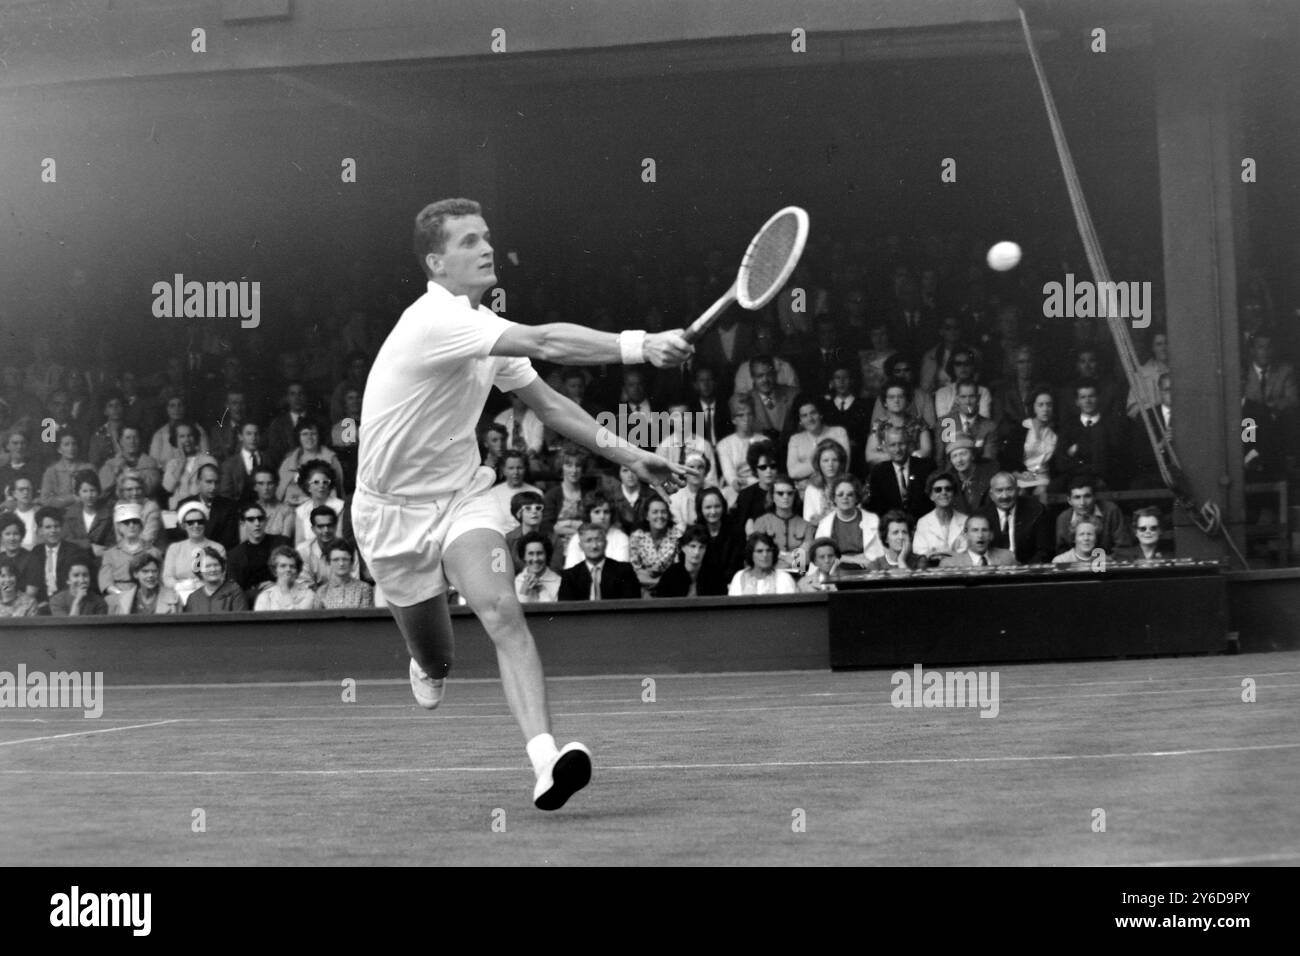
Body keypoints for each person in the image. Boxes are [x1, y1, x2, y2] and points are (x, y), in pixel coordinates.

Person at [349, 199, 691, 810]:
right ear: (437, 263)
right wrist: (640, 345)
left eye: (487, 237)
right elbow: (546, 338)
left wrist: (631, 455)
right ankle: (426, 664)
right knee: (438, 660)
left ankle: (545, 760)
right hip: (389, 515)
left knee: (503, 610)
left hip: (461, 500)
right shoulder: (436, 319)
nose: (486, 248)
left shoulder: (485, 330)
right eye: (469, 242)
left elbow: (552, 406)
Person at [807, 475, 884, 568]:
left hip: (868, 571)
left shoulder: (873, 520)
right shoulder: (825, 524)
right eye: (840, 494)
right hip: (835, 571)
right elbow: (820, 556)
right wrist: (852, 559)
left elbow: (881, 553)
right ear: (834, 498)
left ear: (857, 497)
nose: (845, 497)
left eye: (850, 494)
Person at [979, 471, 1054, 565]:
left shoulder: (1037, 511)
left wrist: (1025, 573)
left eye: (1009, 489)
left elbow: (1045, 551)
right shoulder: (981, 516)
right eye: (999, 490)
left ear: (1018, 490)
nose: (1004, 496)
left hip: (1029, 572)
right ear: (991, 495)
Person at [557, 523, 642, 601]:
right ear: (580, 546)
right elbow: (566, 609)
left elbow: (632, 605)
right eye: (588, 541)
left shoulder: (624, 571)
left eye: (598, 540)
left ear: (606, 543)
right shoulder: (570, 576)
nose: (594, 546)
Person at [226, 503, 292, 602]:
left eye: (260, 519)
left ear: (266, 521)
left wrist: (278, 586)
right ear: (243, 523)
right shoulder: (234, 555)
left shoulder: (282, 543)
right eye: (251, 520)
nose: (257, 523)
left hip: (283, 598)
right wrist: (257, 593)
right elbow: (234, 591)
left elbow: (296, 574)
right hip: (250, 604)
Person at [867, 426, 935, 520]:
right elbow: (877, 509)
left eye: (901, 444)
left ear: (909, 445)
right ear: (885, 447)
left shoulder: (926, 468)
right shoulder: (878, 473)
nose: (897, 449)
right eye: (892, 445)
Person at [163, 500, 225, 603]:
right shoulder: (174, 548)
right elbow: (167, 577)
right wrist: (179, 586)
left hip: (210, 596)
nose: (196, 525)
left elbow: (221, 577)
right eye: (190, 522)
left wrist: (200, 586)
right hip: (179, 597)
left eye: (200, 521)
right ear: (183, 525)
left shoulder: (218, 548)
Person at [31, 505, 94, 606]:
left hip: (67, 602)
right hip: (42, 603)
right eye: (48, 527)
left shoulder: (74, 551)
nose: (53, 531)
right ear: (40, 530)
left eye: (56, 526)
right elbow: (34, 583)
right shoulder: (36, 552)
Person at [1052, 476, 1132, 555]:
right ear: (1069, 500)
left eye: (1087, 496)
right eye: (1077, 497)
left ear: (1094, 497)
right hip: (1077, 565)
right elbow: (1062, 550)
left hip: (1108, 564)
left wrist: (1107, 561)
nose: (1082, 503)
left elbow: (1123, 546)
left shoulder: (1111, 511)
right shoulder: (1064, 518)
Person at [277, 419, 345, 508]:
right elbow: (280, 493)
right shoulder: (288, 462)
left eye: (313, 434)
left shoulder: (331, 459)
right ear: (298, 437)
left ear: (319, 436)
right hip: (292, 510)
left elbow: (339, 490)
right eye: (305, 434)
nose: (309, 437)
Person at [97, 502, 160, 597]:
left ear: (140, 525)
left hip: (149, 596)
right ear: (119, 527)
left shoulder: (153, 552)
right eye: (126, 522)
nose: (131, 525)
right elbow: (106, 583)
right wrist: (123, 596)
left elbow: (160, 580)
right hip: (119, 598)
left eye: (135, 521)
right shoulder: (110, 554)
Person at [786, 396, 849, 490]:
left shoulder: (838, 432)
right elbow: (793, 472)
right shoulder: (795, 439)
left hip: (836, 489)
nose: (810, 419)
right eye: (804, 415)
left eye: (813, 413)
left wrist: (810, 482)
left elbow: (843, 466)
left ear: (820, 414)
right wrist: (826, 462)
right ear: (800, 420)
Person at [865, 379, 933, 465]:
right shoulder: (878, 425)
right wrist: (899, 457)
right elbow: (870, 456)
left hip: (914, 468)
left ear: (908, 400)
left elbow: (926, 451)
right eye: (891, 397)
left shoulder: (919, 423)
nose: (896, 401)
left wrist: (896, 456)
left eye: (900, 396)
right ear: (885, 402)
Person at [751, 474, 809, 570]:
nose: (785, 497)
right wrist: (787, 557)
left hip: (798, 577)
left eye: (790, 493)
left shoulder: (806, 525)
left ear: (795, 495)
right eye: (780, 493)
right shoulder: (762, 522)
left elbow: (803, 561)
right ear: (772, 496)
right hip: (768, 574)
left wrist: (777, 555)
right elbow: (758, 555)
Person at [561, 490, 630, 569]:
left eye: (606, 512)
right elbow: (571, 570)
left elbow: (621, 571)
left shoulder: (621, 538)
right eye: (597, 512)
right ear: (588, 515)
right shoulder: (577, 538)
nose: (602, 517)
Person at [653, 524, 726, 597]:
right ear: (683, 547)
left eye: (701, 547)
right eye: (692, 546)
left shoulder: (715, 575)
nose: (697, 552)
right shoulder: (670, 575)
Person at [628, 496, 681, 595]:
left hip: (670, 590)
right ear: (647, 516)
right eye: (655, 512)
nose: (660, 516)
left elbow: (677, 572)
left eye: (663, 512)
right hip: (642, 589)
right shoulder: (637, 537)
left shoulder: (677, 536)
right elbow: (635, 571)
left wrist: (661, 582)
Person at [161, 423, 219, 510]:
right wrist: (182, 463)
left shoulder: (208, 460)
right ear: (176, 440)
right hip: (177, 509)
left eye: (190, 435)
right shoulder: (172, 464)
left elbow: (211, 489)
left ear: (195, 438)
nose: (187, 440)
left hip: (202, 508)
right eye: (182, 436)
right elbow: (168, 488)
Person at [912, 472, 967, 563]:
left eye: (948, 489)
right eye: (938, 490)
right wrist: (952, 553)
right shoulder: (923, 522)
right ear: (931, 496)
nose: (943, 492)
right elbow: (919, 553)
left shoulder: (966, 521)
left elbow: (967, 554)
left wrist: (936, 553)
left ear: (954, 494)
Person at [98, 426, 162, 502]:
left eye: (135, 437)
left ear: (140, 440)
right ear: (120, 441)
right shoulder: (110, 464)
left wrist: (125, 469)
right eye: (128, 438)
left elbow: (149, 489)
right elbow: (101, 490)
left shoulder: (150, 463)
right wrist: (115, 472)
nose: (132, 441)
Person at [715, 393, 761, 495]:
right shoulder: (724, 444)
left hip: (760, 488)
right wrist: (735, 482)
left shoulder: (763, 440)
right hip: (735, 488)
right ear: (733, 419)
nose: (746, 419)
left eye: (749, 414)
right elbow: (729, 474)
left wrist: (750, 482)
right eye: (741, 415)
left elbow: (765, 472)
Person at [61, 470, 114, 559]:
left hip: (102, 560)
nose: (89, 495)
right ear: (78, 493)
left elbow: (113, 543)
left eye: (92, 490)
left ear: (98, 491)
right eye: (85, 491)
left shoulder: (108, 515)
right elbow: (65, 541)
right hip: (76, 560)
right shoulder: (71, 514)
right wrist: (88, 546)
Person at [292, 460, 346, 548]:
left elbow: (339, 539)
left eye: (325, 482)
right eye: (316, 482)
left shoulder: (339, 506)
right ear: (307, 486)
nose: (321, 486)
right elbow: (299, 544)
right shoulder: (301, 510)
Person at [109, 550, 182, 615]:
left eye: (154, 571)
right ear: (135, 574)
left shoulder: (173, 598)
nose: (151, 575)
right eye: (145, 571)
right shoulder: (123, 600)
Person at [727, 531, 798, 595]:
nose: (765, 555)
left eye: (769, 550)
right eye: (759, 551)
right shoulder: (739, 576)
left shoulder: (784, 578)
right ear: (751, 554)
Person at [183, 546, 250, 613]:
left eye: (216, 565)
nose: (213, 569)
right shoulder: (193, 598)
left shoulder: (235, 592)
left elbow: (241, 621)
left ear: (222, 567)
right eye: (207, 566)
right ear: (199, 571)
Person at [40, 431, 94, 512]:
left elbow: (96, 494)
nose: (71, 448)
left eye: (74, 444)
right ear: (59, 449)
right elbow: (45, 500)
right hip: (59, 515)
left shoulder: (88, 468)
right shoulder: (51, 471)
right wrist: (72, 498)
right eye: (66, 444)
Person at [801, 437, 850, 526]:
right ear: (818, 463)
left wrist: (821, 518)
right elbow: (809, 522)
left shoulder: (850, 486)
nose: (830, 465)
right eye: (825, 461)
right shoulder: (812, 489)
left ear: (841, 463)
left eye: (834, 460)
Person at [314, 539, 374, 609]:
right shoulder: (322, 592)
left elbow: (366, 617)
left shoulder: (364, 589)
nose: (341, 564)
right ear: (328, 563)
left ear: (351, 562)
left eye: (345, 559)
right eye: (336, 560)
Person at [938, 514, 1016, 568]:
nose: (980, 535)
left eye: (984, 530)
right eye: (975, 530)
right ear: (965, 535)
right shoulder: (950, 563)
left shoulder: (1007, 557)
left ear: (991, 535)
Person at [254, 544, 317, 611]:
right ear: (275, 570)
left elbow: (296, 618)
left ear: (297, 571)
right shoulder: (265, 596)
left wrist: (285, 590)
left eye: (292, 566)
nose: (288, 569)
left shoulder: (308, 594)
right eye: (283, 566)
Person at [112, 470, 163, 547]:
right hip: (125, 553)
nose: (135, 493)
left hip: (150, 553)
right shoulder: (119, 507)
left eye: (138, 488)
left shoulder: (151, 507)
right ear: (122, 491)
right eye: (129, 489)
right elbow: (119, 538)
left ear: (144, 489)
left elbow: (147, 540)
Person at [219, 421, 265, 504]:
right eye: (248, 434)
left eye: (256, 434)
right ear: (240, 436)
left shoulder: (269, 459)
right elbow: (225, 495)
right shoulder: (229, 464)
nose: (253, 438)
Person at [248, 466, 296, 543]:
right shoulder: (248, 511)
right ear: (254, 487)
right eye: (261, 483)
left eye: (270, 483)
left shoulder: (287, 511)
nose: (266, 488)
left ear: (276, 485)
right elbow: (244, 543)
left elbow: (284, 542)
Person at [504, 490, 548, 573]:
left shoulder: (553, 538)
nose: (534, 511)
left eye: (538, 508)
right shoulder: (508, 540)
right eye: (528, 508)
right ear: (518, 513)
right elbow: (501, 571)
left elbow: (556, 569)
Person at [514, 532, 562, 603]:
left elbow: (552, 613)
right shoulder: (515, 583)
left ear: (547, 555)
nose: (535, 559)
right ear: (524, 556)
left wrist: (542, 590)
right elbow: (516, 612)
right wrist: (524, 590)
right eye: (531, 554)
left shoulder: (559, 583)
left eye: (539, 553)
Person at [5, 476, 40, 549]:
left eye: (28, 489)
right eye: (21, 489)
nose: (26, 492)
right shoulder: (8, 515)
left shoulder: (40, 513)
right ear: (14, 493)